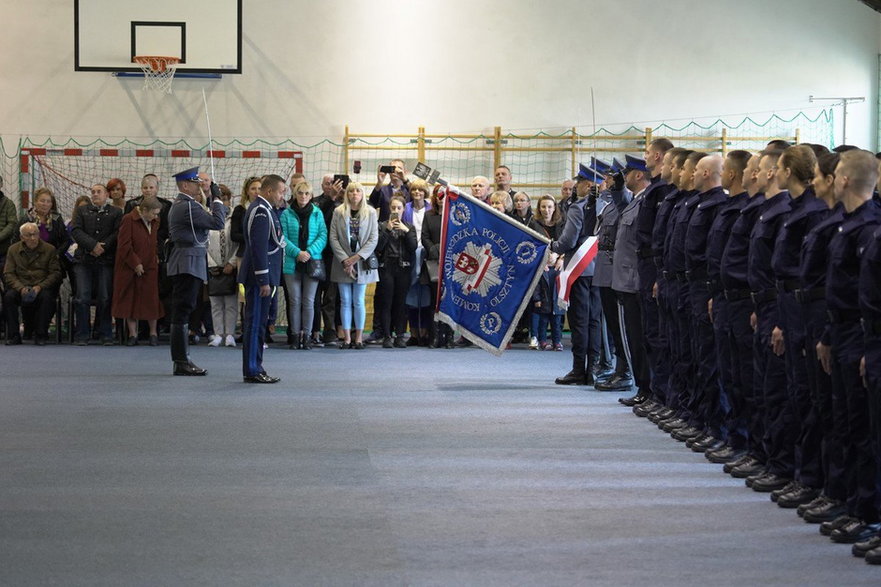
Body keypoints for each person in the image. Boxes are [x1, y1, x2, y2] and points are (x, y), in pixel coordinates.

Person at [816, 149, 881, 544]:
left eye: (836, 172)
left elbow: (865, 297)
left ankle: (869, 512)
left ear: (843, 180)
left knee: (866, 430)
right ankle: (856, 504)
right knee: (849, 422)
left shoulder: (870, 228)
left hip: (863, 336)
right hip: (844, 332)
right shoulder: (846, 225)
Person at [768, 145, 828, 508]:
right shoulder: (792, 209)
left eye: (778, 166)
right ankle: (797, 473)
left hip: (807, 306)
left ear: (790, 171)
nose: (774, 171)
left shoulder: (815, 212)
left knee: (809, 398)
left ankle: (811, 480)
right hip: (788, 304)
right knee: (794, 391)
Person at [166, 167, 227, 376]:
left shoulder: (187, 205)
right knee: (183, 310)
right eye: (194, 182)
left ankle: (182, 360)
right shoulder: (188, 206)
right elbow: (218, 222)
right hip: (187, 261)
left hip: (188, 260)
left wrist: (212, 200)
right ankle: (181, 361)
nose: (198, 185)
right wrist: (217, 199)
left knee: (184, 309)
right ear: (184, 185)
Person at [550, 164, 601, 385]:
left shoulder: (578, 208)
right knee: (595, 322)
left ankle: (579, 369)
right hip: (599, 268)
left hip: (580, 268)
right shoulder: (606, 204)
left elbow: (568, 240)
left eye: (578, 183)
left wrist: (553, 246)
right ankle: (595, 368)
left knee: (580, 321)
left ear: (587, 185)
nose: (574, 187)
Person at [239, 174, 286, 383]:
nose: (282, 196)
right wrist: (263, 279)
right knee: (255, 323)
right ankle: (252, 369)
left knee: (259, 323)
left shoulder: (267, 210)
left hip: (265, 276)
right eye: (281, 191)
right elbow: (259, 249)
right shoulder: (260, 211)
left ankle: (256, 366)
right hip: (259, 277)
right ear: (269, 191)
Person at [70, 183, 123, 345]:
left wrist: (102, 247)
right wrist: (92, 246)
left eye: (98, 192)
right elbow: (76, 231)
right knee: (82, 297)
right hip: (84, 260)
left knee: (105, 297)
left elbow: (117, 233)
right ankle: (82, 335)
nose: (95, 194)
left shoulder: (116, 212)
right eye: (92, 192)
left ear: (106, 194)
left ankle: (105, 334)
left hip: (105, 260)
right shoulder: (81, 211)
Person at [330, 182, 379, 350]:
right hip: (342, 263)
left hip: (362, 262)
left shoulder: (371, 212)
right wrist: (345, 260)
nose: (354, 194)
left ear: (362, 194)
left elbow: (373, 238)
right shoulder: (338, 211)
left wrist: (356, 258)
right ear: (347, 194)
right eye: (351, 191)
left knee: (358, 301)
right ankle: (347, 338)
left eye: (358, 191)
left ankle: (358, 338)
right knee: (345, 301)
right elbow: (333, 237)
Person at [280, 180, 327, 350]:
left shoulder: (317, 213)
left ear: (311, 195)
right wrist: (297, 253)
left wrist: (308, 252)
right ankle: (294, 336)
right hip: (292, 264)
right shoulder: (286, 214)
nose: (303, 196)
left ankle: (306, 337)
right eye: (300, 193)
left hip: (312, 262)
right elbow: (282, 238)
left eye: (307, 193)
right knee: (294, 301)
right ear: (295, 194)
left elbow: (323, 236)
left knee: (308, 301)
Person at [112, 195, 164, 346]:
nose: (156, 216)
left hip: (150, 266)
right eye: (154, 213)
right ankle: (133, 334)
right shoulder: (128, 219)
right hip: (130, 267)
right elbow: (124, 245)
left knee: (151, 300)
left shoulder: (155, 221)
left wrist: (155, 257)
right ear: (144, 210)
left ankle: (153, 333)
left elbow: (153, 242)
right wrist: (135, 263)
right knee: (131, 300)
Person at [3, 222, 61, 345]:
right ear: (22, 237)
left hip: (41, 286)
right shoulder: (13, 250)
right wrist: (20, 288)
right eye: (29, 235)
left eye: (35, 234)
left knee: (47, 298)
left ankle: (41, 334)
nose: (33, 238)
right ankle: (14, 335)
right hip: (20, 286)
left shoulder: (49, 249)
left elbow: (55, 273)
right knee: (8, 297)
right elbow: (8, 274)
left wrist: (40, 286)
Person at [376, 194, 417, 348]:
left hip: (403, 267)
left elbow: (413, 248)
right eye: (393, 207)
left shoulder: (409, 227)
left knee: (401, 303)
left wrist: (406, 231)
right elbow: (378, 247)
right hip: (386, 267)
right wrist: (387, 230)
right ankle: (387, 335)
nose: (396, 210)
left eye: (399, 208)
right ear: (389, 209)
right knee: (386, 302)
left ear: (403, 209)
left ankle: (400, 335)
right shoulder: (382, 225)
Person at [312, 174, 345, 347]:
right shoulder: (315, 202)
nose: (331, 186)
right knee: (315, 296)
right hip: (317, 254)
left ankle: (330, 331)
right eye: (327, 184)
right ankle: (314, 331)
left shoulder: (345, 202)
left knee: (332, 297)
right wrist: (330, 198)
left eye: (334, 183)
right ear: (322, 185)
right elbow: (315, 221)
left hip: (335, 255)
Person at [206, 184, 239, 348]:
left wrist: (231, 263)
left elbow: (239, 243)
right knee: (216, 303)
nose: (223, 202)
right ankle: (218, 333)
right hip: (213, 266)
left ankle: (230, 334)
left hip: (230, 265)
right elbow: (203, 242)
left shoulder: (234, 218)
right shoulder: (207, 216)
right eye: (219, 199)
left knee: (231, 303)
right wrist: (212, 263)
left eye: (225, 199)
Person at [533, 194, 565, 351]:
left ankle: (557, 340)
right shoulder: (533, 223)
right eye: (543, 206)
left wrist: (561, 258)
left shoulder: (562, 224)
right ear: (539, 208)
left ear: (555, 208)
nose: (546, 210)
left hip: (558, 265)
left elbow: (569, 243)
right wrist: (541, 262)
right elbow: (530, 245)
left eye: (550, 207)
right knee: (543, 310)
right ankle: (541, 339)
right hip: (542, 266)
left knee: (557, 308)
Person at [402, 179, 432, 346]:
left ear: (425, 192)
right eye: (414, 190)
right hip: (410, 255)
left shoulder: (431, 209)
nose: (417, 193)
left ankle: (425, 332)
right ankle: (413, 333)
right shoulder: (405, 209)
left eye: (420, 190)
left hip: (427, 255)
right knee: (411, 294)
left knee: (426, 293)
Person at [421, 184, 452, 348]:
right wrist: (435, 250)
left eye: (444, 195)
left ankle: (448, 336)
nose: (441, 199)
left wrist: (445, 252)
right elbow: (424, 236)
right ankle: (435, 336)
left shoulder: (455, 215)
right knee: (434, 302)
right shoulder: (428, 215)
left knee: (449, 301)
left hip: (451, 264)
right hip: (433, 263)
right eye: (439, 195)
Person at [0, 175, 19, 274]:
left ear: (1, 184)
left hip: (3, 249)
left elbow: (12, 224)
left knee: (7, 278)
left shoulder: (9, 204)